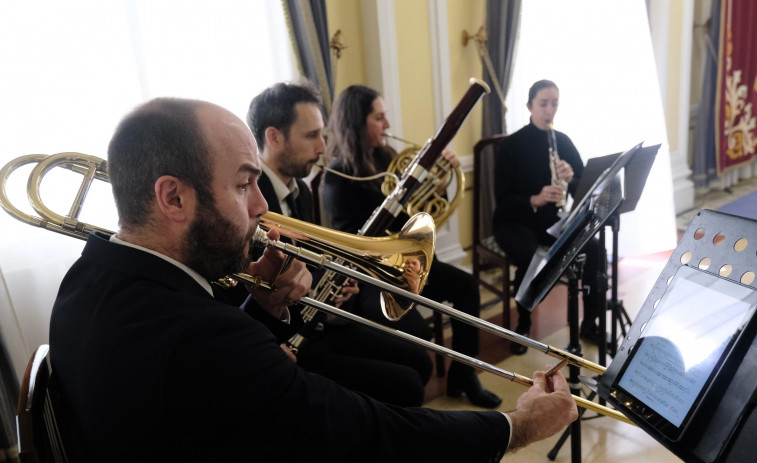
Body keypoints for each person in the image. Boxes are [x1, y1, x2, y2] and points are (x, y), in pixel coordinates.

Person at [48, 96, 577, 461]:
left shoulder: (85, 278)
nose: (261, 207)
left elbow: (205, 394)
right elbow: (373, 436)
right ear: (173, 198)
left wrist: (267, 309)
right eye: (242, 186)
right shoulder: (200, 337)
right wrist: (520, 425)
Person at [246, 81, 433, 406]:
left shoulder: (299, 190)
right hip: (284, 341)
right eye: (312, 136)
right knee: (405, 385)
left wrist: (336, 284)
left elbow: (307, 259)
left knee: (420, 360)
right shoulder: (251, 196)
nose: (322, 148)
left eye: (323, 135)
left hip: (319, 320)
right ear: (273, 137)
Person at [321, 84, 502, 409]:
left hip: (405, 266)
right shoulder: (339, 176)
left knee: (466, 287)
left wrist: (439, 179)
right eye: (379, 118)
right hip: (368, 279)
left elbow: (422, 214)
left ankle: (464, 373)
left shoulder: (387, 157)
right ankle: (398, 402)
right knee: (417, 332)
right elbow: (367, 239)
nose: (388, 126)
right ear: (356, 124)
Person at [492, 79, 605, 355]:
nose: (549, 110)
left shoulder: (562, 141)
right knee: (532, 255)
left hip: (549, 219)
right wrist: (535, 198)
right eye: (543, 104)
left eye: (554, 103)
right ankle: (524, 321)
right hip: (513, 221)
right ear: (530, 106)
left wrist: (572, 178)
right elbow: (502, 201)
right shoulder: (511, 146)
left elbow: (586, 191)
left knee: (594, 247)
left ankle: (589, 321)